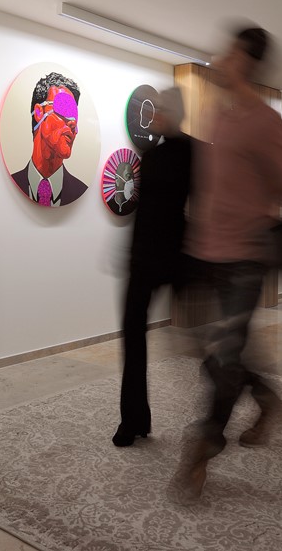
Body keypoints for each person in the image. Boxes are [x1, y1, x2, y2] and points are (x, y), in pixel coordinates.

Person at [170, 26, 282, 502]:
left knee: (226, 355)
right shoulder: (217, 115)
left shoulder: (266, 122)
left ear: (245, 62)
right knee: (206, 349)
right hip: (203, 252)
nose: (218, 60)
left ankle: (203, 447)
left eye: (228, 54)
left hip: (246, 258)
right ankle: (267, 399)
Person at [113, 87, 192, 446]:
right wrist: (130, 255)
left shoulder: (194, 153)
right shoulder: (152, 155)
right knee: (132, 335)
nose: (154, 116)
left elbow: (204, 208)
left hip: (178, 258)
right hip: (144, 259)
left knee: (207, 342)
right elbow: (144, 212)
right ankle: (133, 420)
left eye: (161, 110)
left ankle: (222, 412)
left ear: (175, 114)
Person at [10, 72, 87, 206]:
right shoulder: (8, 187)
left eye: (75, 115)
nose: (73, 123)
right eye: (64, 108)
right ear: (39, 112)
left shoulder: (80, 192)